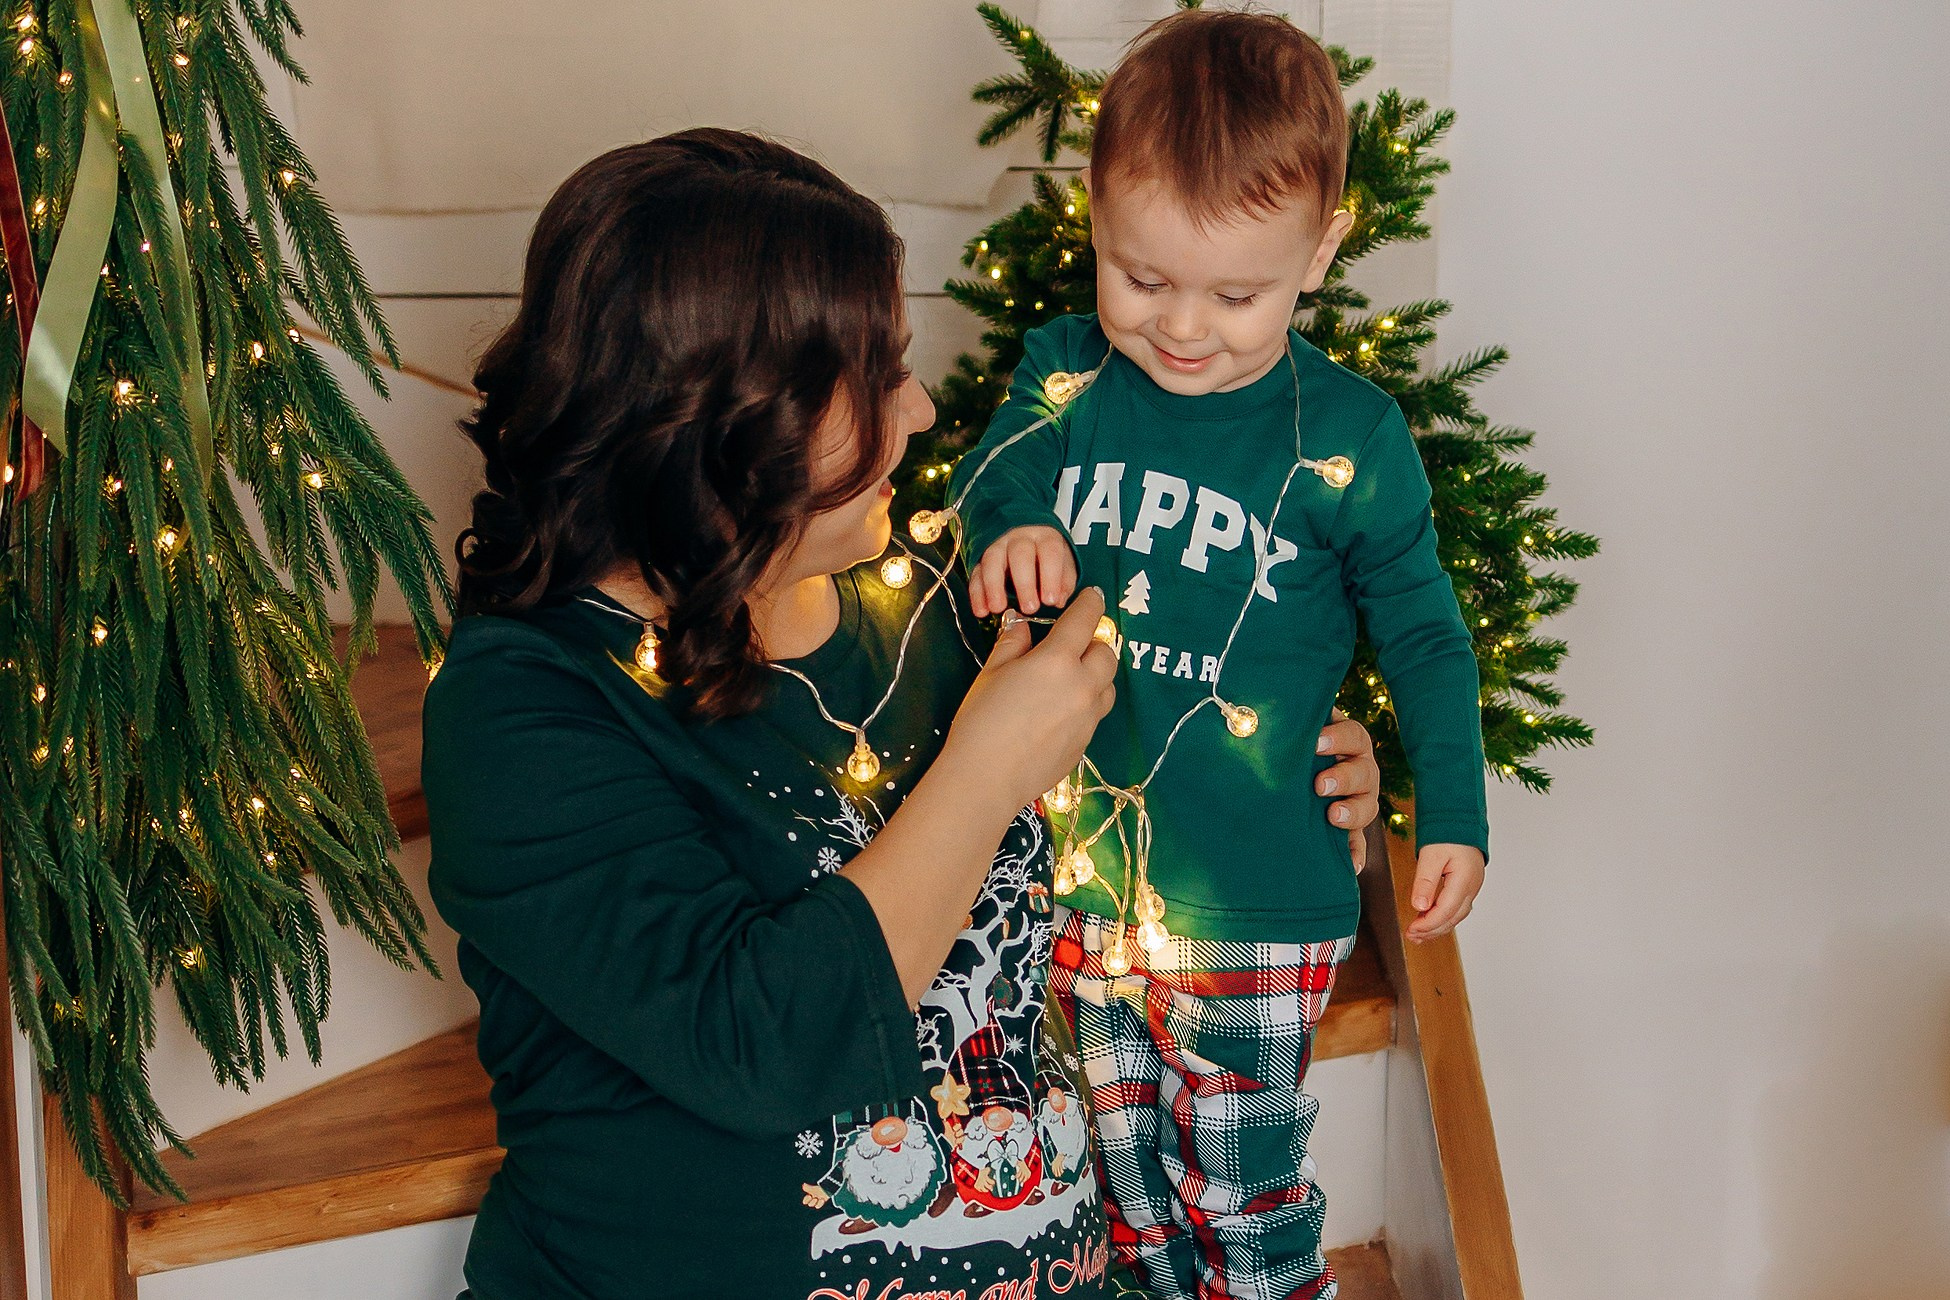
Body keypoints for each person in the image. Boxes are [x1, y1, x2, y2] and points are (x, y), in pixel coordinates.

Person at [420, 128, 1384, 1300]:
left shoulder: (928, 592)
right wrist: (983, 773)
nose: (922, 411)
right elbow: (767, 1041)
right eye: (874, 380)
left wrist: (1294, 757)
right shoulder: (524, 705)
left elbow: (1151, 747)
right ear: (727, 418)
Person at [944, 12, 1489, 1299]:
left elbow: (1424, 632)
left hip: (1252, 905)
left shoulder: (1348, 432)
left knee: (1241, 1195)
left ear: (1324, 250)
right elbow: (1001, 461)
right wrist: (1013, 514)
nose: (1184, 327)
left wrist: (1451, 803)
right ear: (1093, 220)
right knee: (1124, 1179)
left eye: (1236, 295)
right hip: (1084, 879)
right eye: (1142, 278)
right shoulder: (1070, 373)